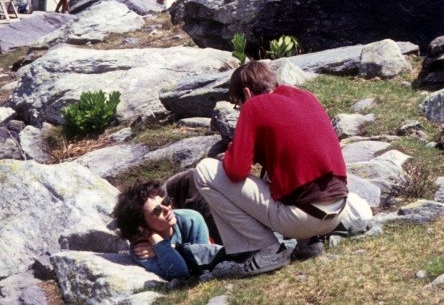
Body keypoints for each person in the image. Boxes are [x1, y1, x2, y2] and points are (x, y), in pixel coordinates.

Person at [193, 61, 349, 277]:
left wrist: (232, 149)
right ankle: (309, 243)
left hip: (301, 219)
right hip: (337, 211)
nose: (240, 110)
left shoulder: (253, 106)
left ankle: (269, 250)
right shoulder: (305, 96)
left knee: (204, 171)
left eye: (237, 104)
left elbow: (236, 171)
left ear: (246, 93)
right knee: (280, 171)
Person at [113, 180, 226, 280]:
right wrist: (154, 239)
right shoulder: (141, 247)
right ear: (141, 225)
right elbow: (180, 273)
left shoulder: (191, 219)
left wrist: (172, 248)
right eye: (157, 211)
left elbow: (204, 266)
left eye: (165, 201)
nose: (167, 209)